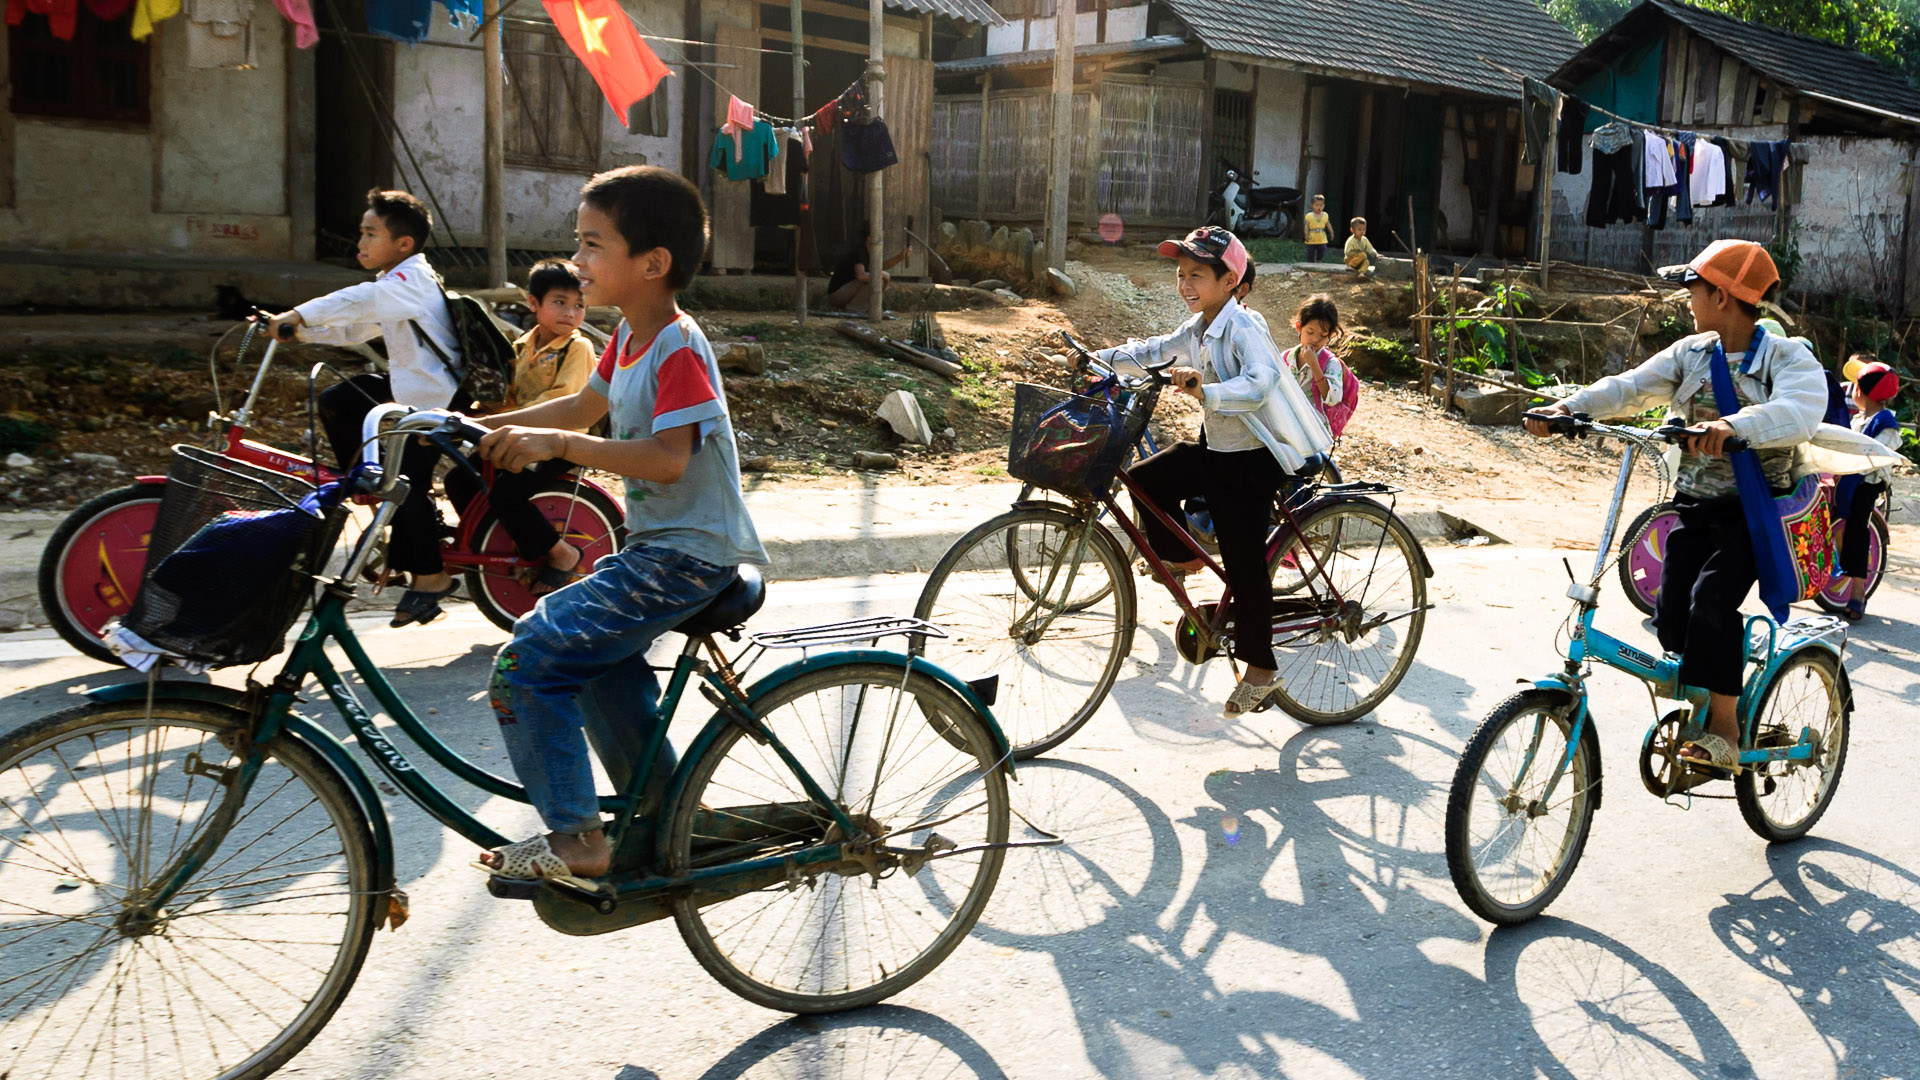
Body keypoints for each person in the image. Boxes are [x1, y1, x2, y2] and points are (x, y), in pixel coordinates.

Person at [471, 165, 768, 887]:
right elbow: (576, 409)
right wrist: (472, 426)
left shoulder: (677, 346)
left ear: (652, 263)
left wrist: (561, 447)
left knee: (528, 658)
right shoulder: (629, 339)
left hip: (692, 555)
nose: (577, 263)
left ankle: (577, 841)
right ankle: (665, 813)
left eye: (592, 245)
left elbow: (668, 460)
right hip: (658, 550)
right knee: (586, 656)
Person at [1524, 239, 1826, 773]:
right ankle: (1707, 702)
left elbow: (1801, 410)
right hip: (1695, 503)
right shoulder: (1691, 353)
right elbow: (1630, 388)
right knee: (1670, 618)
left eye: (1694, 288)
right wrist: (1568, 406)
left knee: (1712, 599)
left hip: (1756, 514)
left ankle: (1727, 732)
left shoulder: (1785, 355)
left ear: (1724, 296)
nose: (1687, 298)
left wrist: (1733, 426)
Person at [1097, 225, 1332, 718]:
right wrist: (1096, 359)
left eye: (1197, 275)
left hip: (1254, 460)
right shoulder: (1200, 326)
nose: (1185, 285)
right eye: (1181, 275)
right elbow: (1154, 350)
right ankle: (1186, 557)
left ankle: (1262, 668)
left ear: (1231, 282)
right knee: (1144, 479)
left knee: (1245, 563)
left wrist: (1207, 391)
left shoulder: (1245, 325)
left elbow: (1261, 383)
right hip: (1217, 450)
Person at [268, 188, 464, 628]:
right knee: (340, 400)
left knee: (405, 481)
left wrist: (297, 313)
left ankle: (431, 577)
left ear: (403, 244)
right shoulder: (396, 284)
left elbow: (354, 302)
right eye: (361, 232)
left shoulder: (409, 281)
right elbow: (357, 326)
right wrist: (299, 334)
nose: (360, 242)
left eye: (370, 233)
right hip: (407, 390)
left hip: (431, 399)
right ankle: (371, 485)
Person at [443, 258, 598, 596]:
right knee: (458, 480)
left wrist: (507, 420)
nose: (570, 313)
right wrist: (469, 413)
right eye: (560, 302)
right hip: (521, 434)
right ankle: (492, 538)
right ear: (533, 304)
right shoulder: (520, 346)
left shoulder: (577, 346)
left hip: (561, 441)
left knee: (506, 491)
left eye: (579, 306)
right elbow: (504, 396)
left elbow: (565, 402)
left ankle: (562, 554)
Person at [1835, 353, 1901, 621]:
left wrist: (1856, 466)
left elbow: (1884, 451)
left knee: (1856, 530)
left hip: (1866, 485)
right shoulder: (1859, 419)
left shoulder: (1885, 422)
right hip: (1848, 478)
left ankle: (1858, 592)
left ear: (1860, 391)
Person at [1282, 294, 1357, 439]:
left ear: (1331, 334)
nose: (1315, 339)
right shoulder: (1286, 357)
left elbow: (1333, 398)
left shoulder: (1330, 363)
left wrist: (1315, 366)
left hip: (1314, 432)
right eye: (1310, 332)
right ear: (1299, 327)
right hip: (1286, 425)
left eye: (1323, 335)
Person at [827, 222, 910, 312]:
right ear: (870, 237)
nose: (882, 240)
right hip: (838, 295)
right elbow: (861, 276)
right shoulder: (859, 251)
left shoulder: (870, 250)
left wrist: (900, 257)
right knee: (877, 279)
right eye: (880, 237)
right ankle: (854, 309)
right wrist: (885, 276)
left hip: (846, 293)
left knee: (877, 276)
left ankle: (860, 308)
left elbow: (879, 267)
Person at [1302, 195, 1331, 263]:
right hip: (1311, 238)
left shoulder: (1325, 215)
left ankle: (1318, 260)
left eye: (1321, 205)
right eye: (1317, 205)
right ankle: (1310, 263)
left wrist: (1331, 232)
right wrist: (1306, 235)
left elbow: (1328, 224)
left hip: (1321, 238)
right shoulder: (1309, 216)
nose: (1319, 207)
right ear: (1312, 205)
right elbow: (1306, 226)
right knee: (1310, 252)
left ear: (1324, 205)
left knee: (1322, 249)